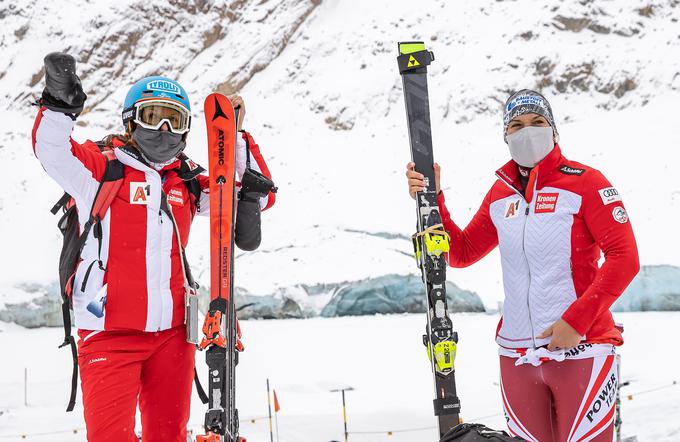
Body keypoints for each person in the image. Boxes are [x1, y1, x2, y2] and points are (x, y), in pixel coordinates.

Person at [32, 53, 276, 441]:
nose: (162, 129)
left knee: (169, 436)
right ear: (130, 121)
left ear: (185, 130)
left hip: (173, 336)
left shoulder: (187, 181)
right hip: (109, 334)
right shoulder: (99, 171)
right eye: (152, 117)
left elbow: (246, 198)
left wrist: (237, 138)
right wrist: (59, 106)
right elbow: (53, 151)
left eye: (174, 120)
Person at [405, 89, 639, 441]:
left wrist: (576, 321)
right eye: (516, 125)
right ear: (506, 136)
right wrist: (433, 197)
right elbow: (463, 251)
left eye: (537, 122)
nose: (527, 131)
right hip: (516, 355)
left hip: (581, 349)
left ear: (554, 131)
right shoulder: (501, 194)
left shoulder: (586, 183)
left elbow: (625, 259)